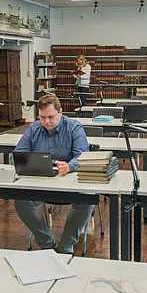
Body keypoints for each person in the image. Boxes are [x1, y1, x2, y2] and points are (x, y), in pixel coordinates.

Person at [14, 94, 91, 254]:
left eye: (51, 117)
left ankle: (66, 245)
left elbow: (83, 156)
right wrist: (28, 163)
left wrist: (69, 166)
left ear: (60, 112)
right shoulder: (34, 128)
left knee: (86, 201)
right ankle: (46, 242)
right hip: (42, 184)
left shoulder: (74, 128)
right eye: (42, 117)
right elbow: (18, 154)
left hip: (69, 186)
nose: (47, 122)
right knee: (21, 201)